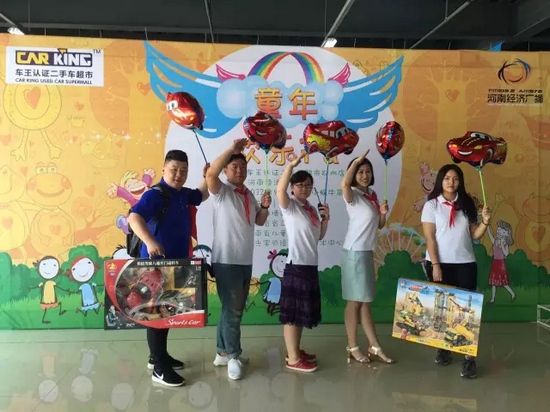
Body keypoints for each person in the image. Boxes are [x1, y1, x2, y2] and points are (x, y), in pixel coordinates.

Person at [128, 150, 209, 387]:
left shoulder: (183, 194)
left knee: (165, 313)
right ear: (164, 169)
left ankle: (158, 357)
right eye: (174, 169)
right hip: (156, 266)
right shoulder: (155, 194)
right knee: (156, 315)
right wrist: (150, 241)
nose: (179, 174)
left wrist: (207, 176)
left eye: (184, 170)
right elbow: (134, 217)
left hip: (175, 264)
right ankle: (159, 369)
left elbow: (201, 195)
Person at [205, 138, 271, 381]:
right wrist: (232, 150)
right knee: (233, 312)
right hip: (226, 260)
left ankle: (222, 352)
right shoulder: (221, 191)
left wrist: (264, 207)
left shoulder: (247, 194)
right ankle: (234, 355)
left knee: (231, 309)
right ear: (226, 170)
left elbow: (259, 221)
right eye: (234, 167)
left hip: (244, 260)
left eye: (243, 167)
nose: (240, 171)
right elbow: (210, 174)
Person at [421, 164, 491, 380]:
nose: (451, 182)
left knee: (466, 312)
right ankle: (444, 348)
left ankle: (469, 358)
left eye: (455, 179)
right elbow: (430, 237)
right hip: (439, 264)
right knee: (442, 310)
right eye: (447, 178)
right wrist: (436, 265)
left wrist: (485, 222)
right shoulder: (431, 205)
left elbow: (474, 235)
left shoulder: (466, 204)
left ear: (460, 182)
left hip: (465, 263)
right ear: (440, 181)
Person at [340, 150, 396, 365]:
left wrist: (382, 213)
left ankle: (374, 346)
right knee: (354, 302)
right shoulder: (353, 195)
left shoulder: (371, 195)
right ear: (354, 174)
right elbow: (344, 184)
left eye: (367, 171)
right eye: (360, 171)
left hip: (366, 252)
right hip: (354, 252)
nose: (364, 175)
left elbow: (379, 225)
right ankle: (352, 346)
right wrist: (356, 161)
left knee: (364, 302)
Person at [275, 153, 330, 373]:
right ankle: (293, 359)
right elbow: (279, 191)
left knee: (299, 314)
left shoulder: (311, 209)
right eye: (300, 185)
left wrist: (326, 219)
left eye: (308, 185)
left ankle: (295, 351)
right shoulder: (290, 206)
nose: (304, 188)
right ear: (292, 188)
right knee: (291, 315)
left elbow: (319, 237)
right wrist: (291, 166)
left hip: (310, 266)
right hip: (296, 265)